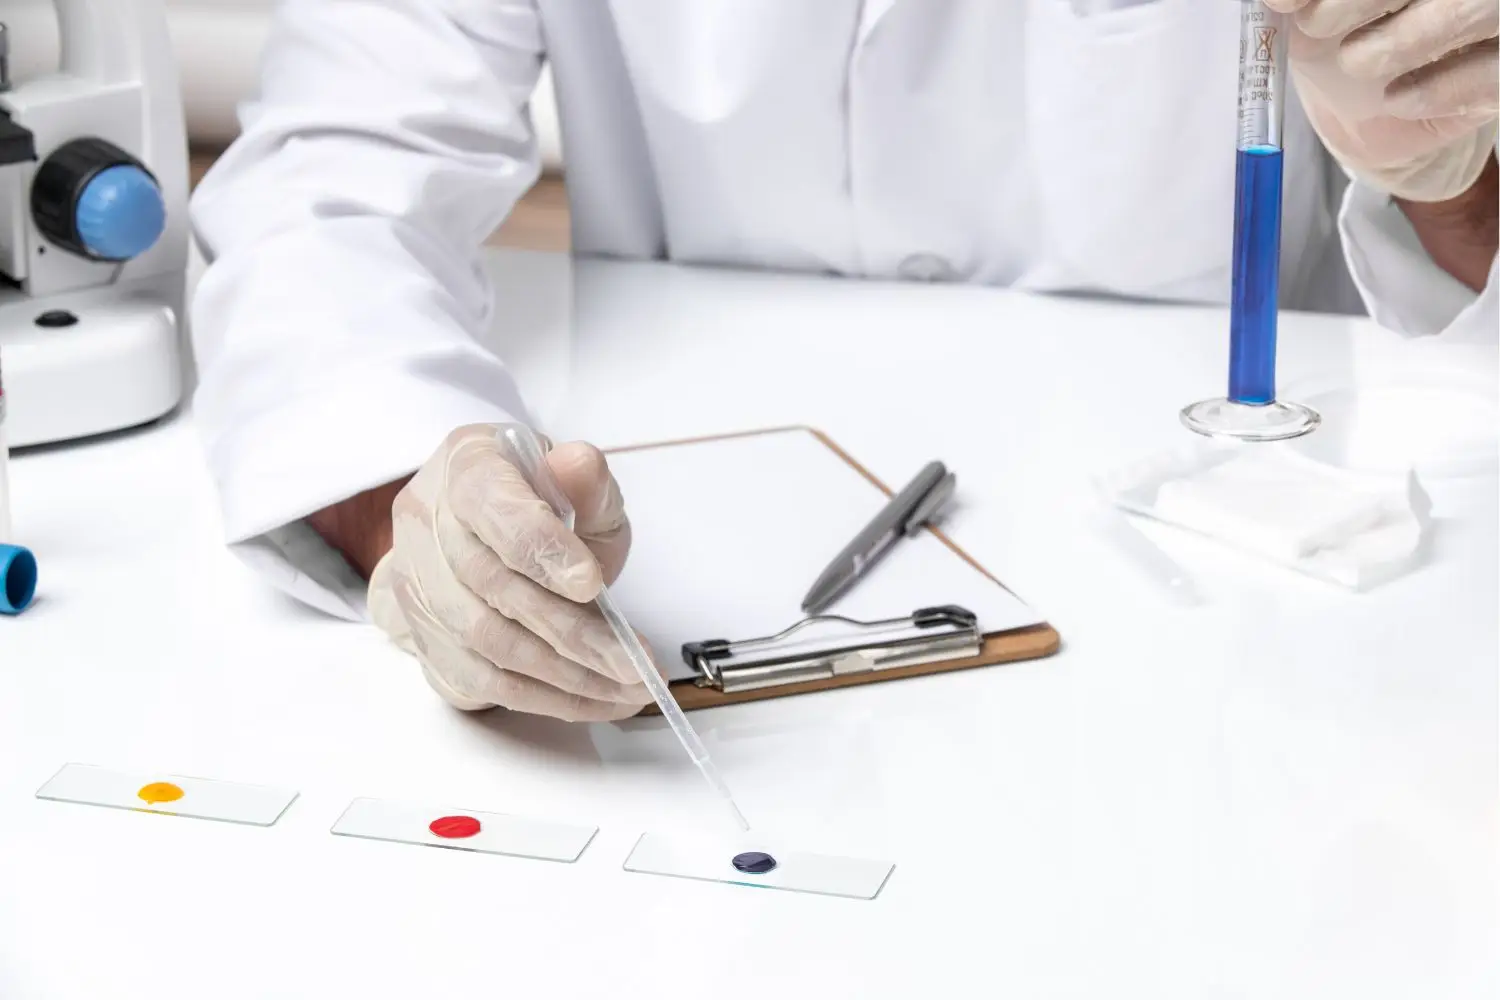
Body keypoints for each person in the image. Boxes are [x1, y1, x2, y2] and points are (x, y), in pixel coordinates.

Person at [189, 0, 1497, 722]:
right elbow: (334, 175)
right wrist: (432, 511)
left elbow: (1464, 200)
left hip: (1245, 595)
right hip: (711, 520)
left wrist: (1451, 170)